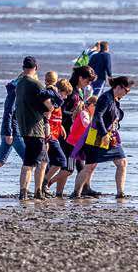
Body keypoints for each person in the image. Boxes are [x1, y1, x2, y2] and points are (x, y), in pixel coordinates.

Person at [70, 76, 136, 199]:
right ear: (119, 87)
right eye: (126, 91)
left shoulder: (115, 99)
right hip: (97, 136)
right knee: (89, 166)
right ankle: (76, 193)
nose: (126, 93)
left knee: (122, 162)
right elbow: (97, 117)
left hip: (111, 136)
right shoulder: (106, 98)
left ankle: (120, 193)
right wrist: (104, 134)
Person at [47, 66, 98, 196]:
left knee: (77, 164)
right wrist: (76, 113)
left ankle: (64, 192)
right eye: (88, 80)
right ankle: (48, 185)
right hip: (66, 134)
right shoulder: (72, 93)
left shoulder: (79, 91)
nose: (89, 84)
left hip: (73, 134)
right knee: (67, 166)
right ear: (80, 78)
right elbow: (60, 110)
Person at [15, 56, 54, 200]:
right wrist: (52, 108)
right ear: (36, 68)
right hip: (36, 128)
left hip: (24, 127)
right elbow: (49, 105)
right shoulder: (36, 84)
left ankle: (24, 192)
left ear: (23, 68)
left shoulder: (19, 83)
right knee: (39, 162)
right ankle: (36, 192)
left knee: (30, 161)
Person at [41, 78, 73, 197]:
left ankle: (43, 185)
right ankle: (44, 183)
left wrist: (61, 127)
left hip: (56, 134)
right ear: (59, 91)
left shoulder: (58, 103)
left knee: (54, 162)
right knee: (61, 161)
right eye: (65, 94)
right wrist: (47, 135)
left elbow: (57, 119)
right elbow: (46, 117)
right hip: (50, 136)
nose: (65, 97)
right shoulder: (53, 101)